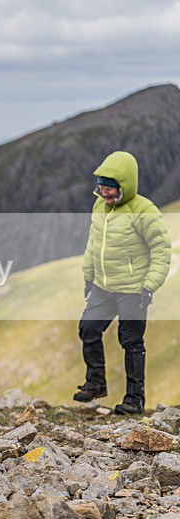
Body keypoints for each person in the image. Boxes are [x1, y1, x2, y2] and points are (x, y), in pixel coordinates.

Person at [74, 151, 170, 414]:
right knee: (88, 329)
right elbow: (94, 245)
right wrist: (88, 277)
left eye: (109, 189)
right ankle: (95, 384)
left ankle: (134, 400)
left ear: (125, 186)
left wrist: (150, 284)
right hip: (103, 287)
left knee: (131, 342)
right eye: (101, 188)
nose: (104, 194)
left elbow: (161, 249)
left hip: (133, 290)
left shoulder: (143, 210)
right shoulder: (99, 207)